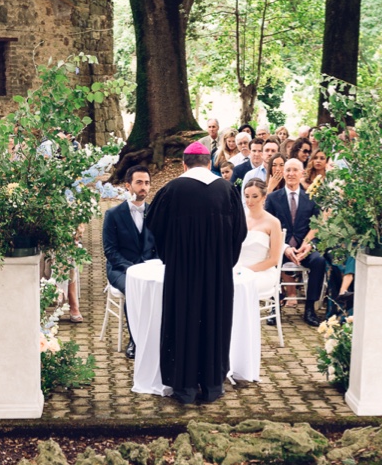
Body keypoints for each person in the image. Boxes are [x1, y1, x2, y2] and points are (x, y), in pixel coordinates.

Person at [145, 143, 246, 404]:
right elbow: (240, 232)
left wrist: (172, 256)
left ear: (184, 164)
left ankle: (185, 388)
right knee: (214, 320)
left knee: (183, 320)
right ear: (209, 163)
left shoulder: (172, 190)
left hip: (182, 274)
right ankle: (212, 386)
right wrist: (223, 262)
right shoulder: (227, 190)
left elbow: (155, 227)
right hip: (217, 275)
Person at [265, 159, 325, 326]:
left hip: (304, 247)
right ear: (283, 173)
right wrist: (284, 248)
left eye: (295, 170)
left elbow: (317, 226)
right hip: (280, 248)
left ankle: (310, 309)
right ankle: (274, 305)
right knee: (270, 261)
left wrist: (308, 246)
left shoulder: (312, 198)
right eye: (288, 170)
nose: (291, 174)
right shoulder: (273, 198)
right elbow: (267, 228)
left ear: (302, 173)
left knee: (319, 261)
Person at [102, 166, 154, 359]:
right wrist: (132, 269)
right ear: (127, 186)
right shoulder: (113, 214)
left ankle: (157, 338)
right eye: (139, 182)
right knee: (134, 289)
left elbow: (161, 246)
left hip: (149, 267)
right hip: (120, 269)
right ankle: (135, 340)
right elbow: (110, 251)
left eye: (147, 183)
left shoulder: (155, 213)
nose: (143, 187)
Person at [237, 178, 284, 299]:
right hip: (238, 269)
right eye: (247, 196)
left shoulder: (273, 222)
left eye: (254, 196)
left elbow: (274, 259)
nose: (250, 201)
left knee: (243, 285)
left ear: (264, 197)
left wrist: (248, 270)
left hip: (262, 271)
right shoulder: (239, 219)